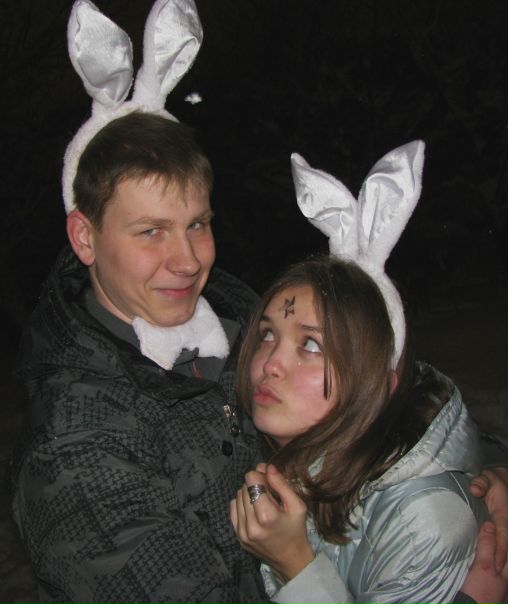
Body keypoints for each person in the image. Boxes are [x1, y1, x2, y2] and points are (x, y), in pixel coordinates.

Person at [7, 3, 508, 604]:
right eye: (150, 232)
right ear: (85, 237)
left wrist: (477, 480)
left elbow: (375, 401)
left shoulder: (242, 317)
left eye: (197, 224)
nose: (187, 260)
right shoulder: (75, 455)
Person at [230, 145, 508, 604]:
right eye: (267, 334)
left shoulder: (421, 521)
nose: (271, 363)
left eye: (311, 345)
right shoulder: (299, 457)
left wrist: (295, 567)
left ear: (379, 383)